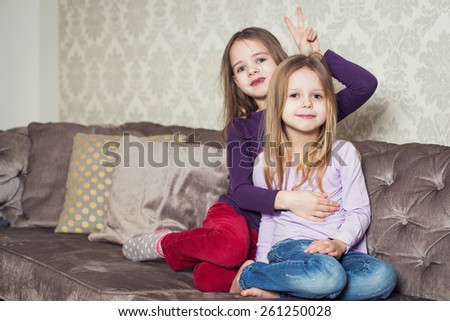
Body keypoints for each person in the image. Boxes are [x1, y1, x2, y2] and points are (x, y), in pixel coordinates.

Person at [122, 7, 378, 293]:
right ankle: (164, 243)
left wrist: (313, 58)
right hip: (238, 214)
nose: (252, 69)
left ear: (281, 63)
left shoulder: (308, 113)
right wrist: (291, 200)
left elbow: (364, 85)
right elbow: (242, 191)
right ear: (236, 82)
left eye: (260, 59)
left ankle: (233, 270)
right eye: (241, 68)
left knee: (208, 278)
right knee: (230, 246)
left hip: (275, 232)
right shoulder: (240, 127)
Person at [230, 54, 397, 300]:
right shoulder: (266, 161)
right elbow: (269, 221)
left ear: (329, 104)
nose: (307, 103)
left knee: (382, 278)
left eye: (317, 96)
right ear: (277, 105)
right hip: (291, 249)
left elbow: (359, 212)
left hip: (340, 252)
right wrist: (263, 263)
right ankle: (251, 273)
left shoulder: (343, 152)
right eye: (295, 95)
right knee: (328, 276)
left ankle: (282, 294)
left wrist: (339, 244)